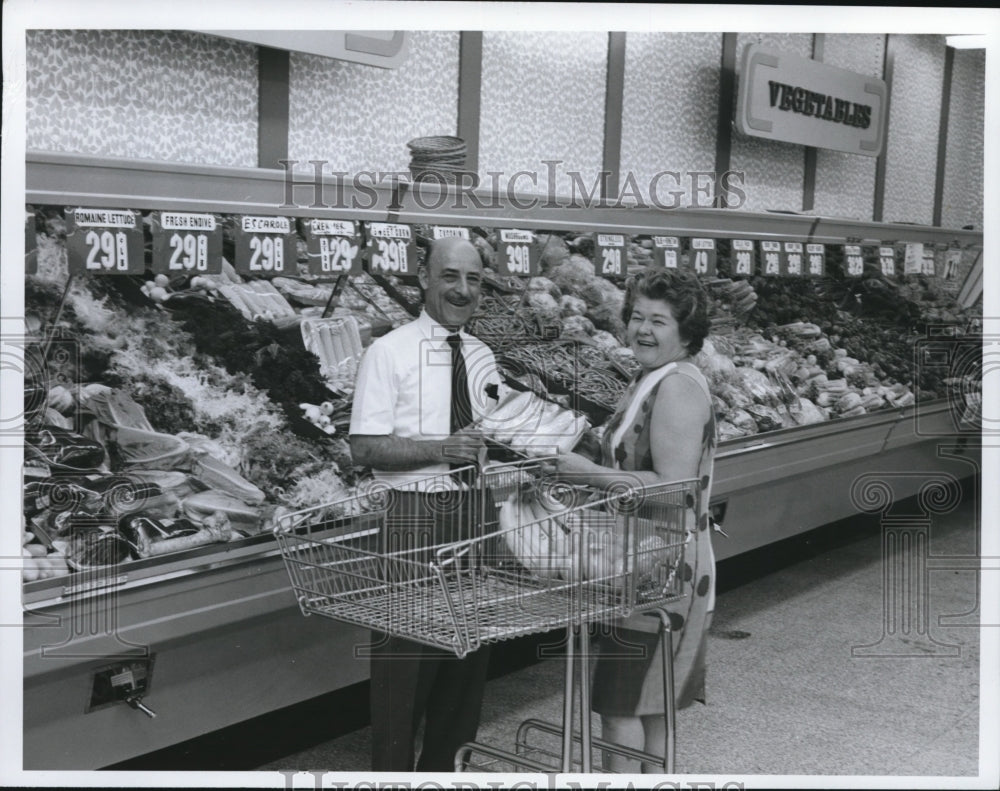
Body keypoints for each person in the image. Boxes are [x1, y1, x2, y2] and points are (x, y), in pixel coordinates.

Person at [546, 267, 717, 772]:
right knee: (652, 707)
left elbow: (671, 486)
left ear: (686, 332)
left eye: (659, 321)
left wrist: (589, 473)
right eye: (637, 316)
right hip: (650, 562)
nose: (643, 329)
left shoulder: (679, 388)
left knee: (620, 706)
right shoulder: (653, 377)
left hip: (662, 571)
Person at [349, 236, 501, 772]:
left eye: (474, 280)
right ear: (424, 278)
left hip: (474, 514)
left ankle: (445, 773)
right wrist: (441, 449)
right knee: (403, 671)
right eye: (451, 276)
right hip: (413, 518)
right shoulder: (388, 352)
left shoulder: (482, 355)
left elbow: (488, 436)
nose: (462, 290)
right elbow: (364, 447)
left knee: (465, 667)